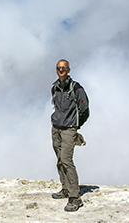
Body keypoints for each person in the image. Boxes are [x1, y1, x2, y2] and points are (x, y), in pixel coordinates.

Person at [50, 59, 90, 212]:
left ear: (69, 70)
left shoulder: (76, 88)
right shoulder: (55, 88)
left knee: (67, 160)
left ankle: (75, 197)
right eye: (59, 68)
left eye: (64, 68)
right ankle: (65, 188)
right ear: (56, 70)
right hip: (56, 128)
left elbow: (84, 109)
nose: (61, 71)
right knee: (60, 159)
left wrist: (75, 127)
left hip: (68, 129)